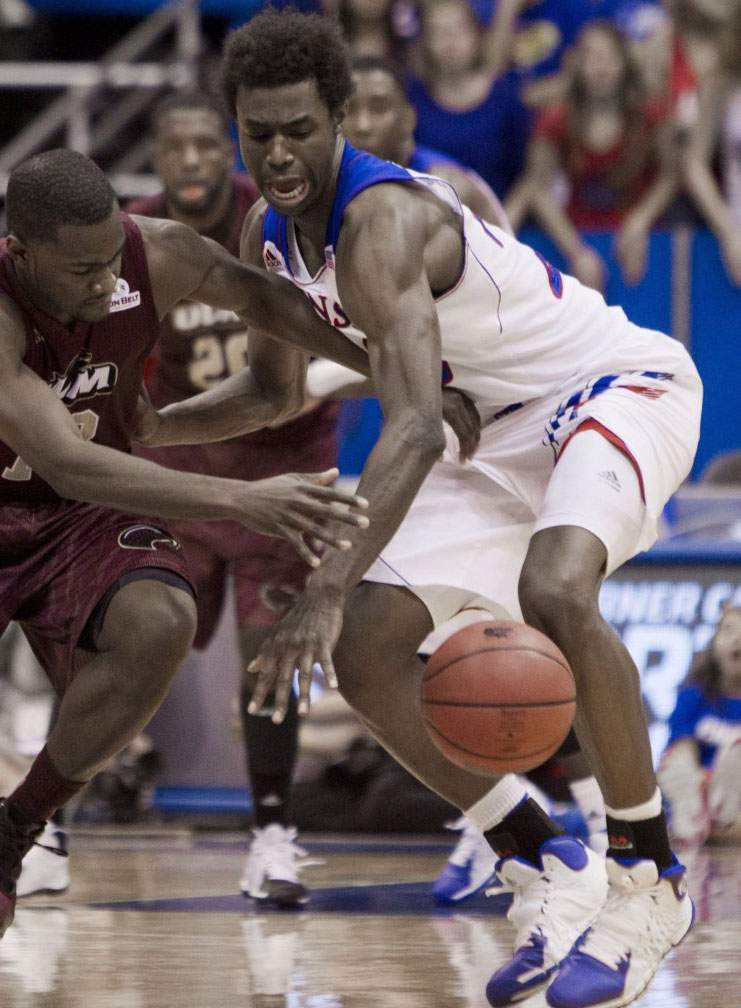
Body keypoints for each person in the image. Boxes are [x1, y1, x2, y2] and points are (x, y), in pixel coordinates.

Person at [210, 10, 702, 1008]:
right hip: (499, 433)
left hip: (615, 386)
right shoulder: (269, 235)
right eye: (257, 132)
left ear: (343, 117)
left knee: (556, 585)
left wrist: (322, 583)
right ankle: (537, 851)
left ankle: (648, 876)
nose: (278, 151)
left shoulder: (384, 220)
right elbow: (268, 393)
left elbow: (412, 427)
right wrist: (118, 437)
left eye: (299, 127)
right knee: (365, 648)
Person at [0, 145, 378, 938]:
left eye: (111, 258)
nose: (107, 283)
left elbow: (269, 303)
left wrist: (400, 367)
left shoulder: (155, 254)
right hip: (61, 484)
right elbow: (67, 462)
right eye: (81, 271)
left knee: (159, 620)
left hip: (73, 518)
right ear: (20, 251)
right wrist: (244, 498)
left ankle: (17, 829)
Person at [126, 89, 344, 908]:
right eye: (172, 146)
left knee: (269, 651)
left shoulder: (278, 220)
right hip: (180, 467)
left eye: (202, 145)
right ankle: (54, 824)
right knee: (127, 635)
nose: (189, 160)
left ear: (227, 153)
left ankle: (272, 834)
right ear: (155, 156)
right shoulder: (130, 235)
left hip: (279, 464)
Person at [508, 20, 679, 290]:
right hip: (578, 234)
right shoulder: (557, 118)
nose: (601, 67)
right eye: (591, 57)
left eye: (610, 57)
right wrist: (575, 251)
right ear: (576, 65)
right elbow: (537, 187)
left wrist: (641, 221)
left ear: (625, 63)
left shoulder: (650, 114)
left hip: (640, 239)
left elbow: (672, 174)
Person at [343, 54, 511, 226]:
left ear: (408, 119)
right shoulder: (334, 184)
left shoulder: (446, 189)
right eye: (349, 110)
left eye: (379, 109)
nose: (362, 126)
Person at [657, 605, 741, 847]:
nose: (738, 638)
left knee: (736, 755)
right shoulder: (693, 695)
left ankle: (716, 817)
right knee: (676, 761)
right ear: (713, 644)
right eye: (728, 630)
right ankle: (697, 812)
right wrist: (699, 780)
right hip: (698, 787)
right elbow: (681, 747)